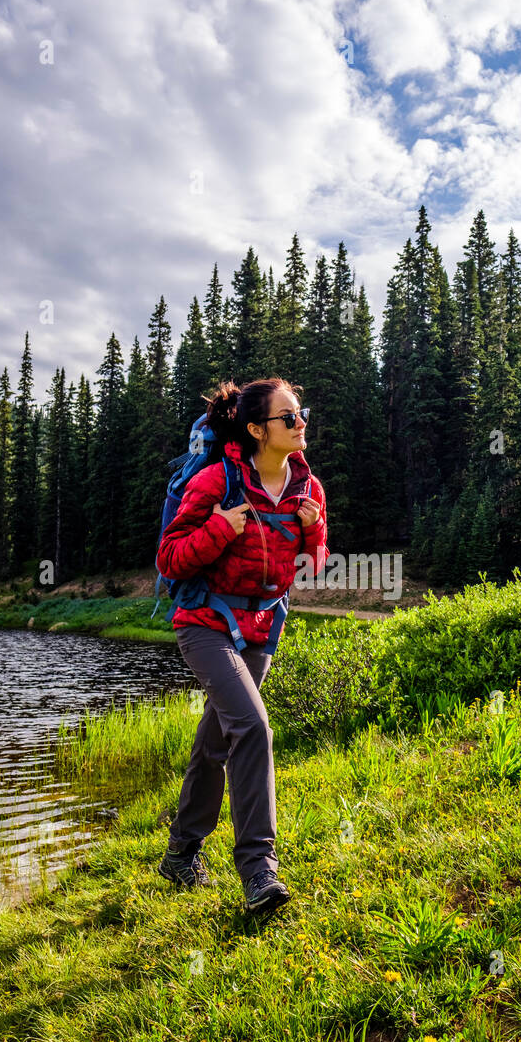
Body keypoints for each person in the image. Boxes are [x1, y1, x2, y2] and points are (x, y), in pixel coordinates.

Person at [155, 377, 328, 914]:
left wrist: (314, 532)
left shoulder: (308, 488)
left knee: (216, 740)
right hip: (204, 622)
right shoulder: (215, 481)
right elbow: (169, 558)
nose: (300, 425)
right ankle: (259, 872)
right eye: (288, 418)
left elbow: (312, 568)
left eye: (300, 414)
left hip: (261, 628)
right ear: (256, 430)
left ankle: (181, 852)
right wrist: (217, 532)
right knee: (252, 727)